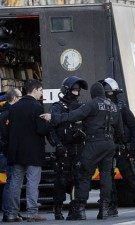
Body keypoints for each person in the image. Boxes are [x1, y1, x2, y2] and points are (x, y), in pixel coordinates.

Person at [40, 82, 124, 220]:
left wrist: (53, 117)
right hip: (110, 144)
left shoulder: (92, 104)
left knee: (83, 174)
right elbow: (120, 131)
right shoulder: (114, 106)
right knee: (106, 175)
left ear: (93, 93)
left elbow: (73, 116)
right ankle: (104, 209)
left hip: (94, 143)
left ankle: (79, 209)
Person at [99, 78, 135, 218]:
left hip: (122, 149)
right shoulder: (100, 108)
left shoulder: (122, 108)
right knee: (107, 179)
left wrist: (132, 149)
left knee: (130, 178)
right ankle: (111, 206)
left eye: (108, 93)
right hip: (107, 149)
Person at [7, 80, 49, 222]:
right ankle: (32, 212)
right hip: (33, 152)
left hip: (17, 151)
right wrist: (48, 123)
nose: (42, 93)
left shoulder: (13, 108)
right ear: (35, 90)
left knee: (15, 182)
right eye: (41, 90)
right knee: (32, 181)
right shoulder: (37, 107)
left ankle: (12, 213)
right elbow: (41, 130)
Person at [48, 76, 88, 220]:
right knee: (61, 179)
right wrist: (57, 144)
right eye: (74, 90)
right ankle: (58, 209)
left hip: (78, 147)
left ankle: (74, 208)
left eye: (78, 90)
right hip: (63, 148)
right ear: (66, 90)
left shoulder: (82, 106)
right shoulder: (57, 107)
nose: (77, 93)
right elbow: (51, 129)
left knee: (77, 179)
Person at [0, 88, 22, 222]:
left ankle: (10, 212)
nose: (21, 99)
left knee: (11, 182)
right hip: (7, 153)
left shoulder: (5, 113)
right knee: (11, 183)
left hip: (5, 152)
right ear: (13, 98)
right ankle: (9, 212)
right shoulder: (8, 114)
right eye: (20, 97)